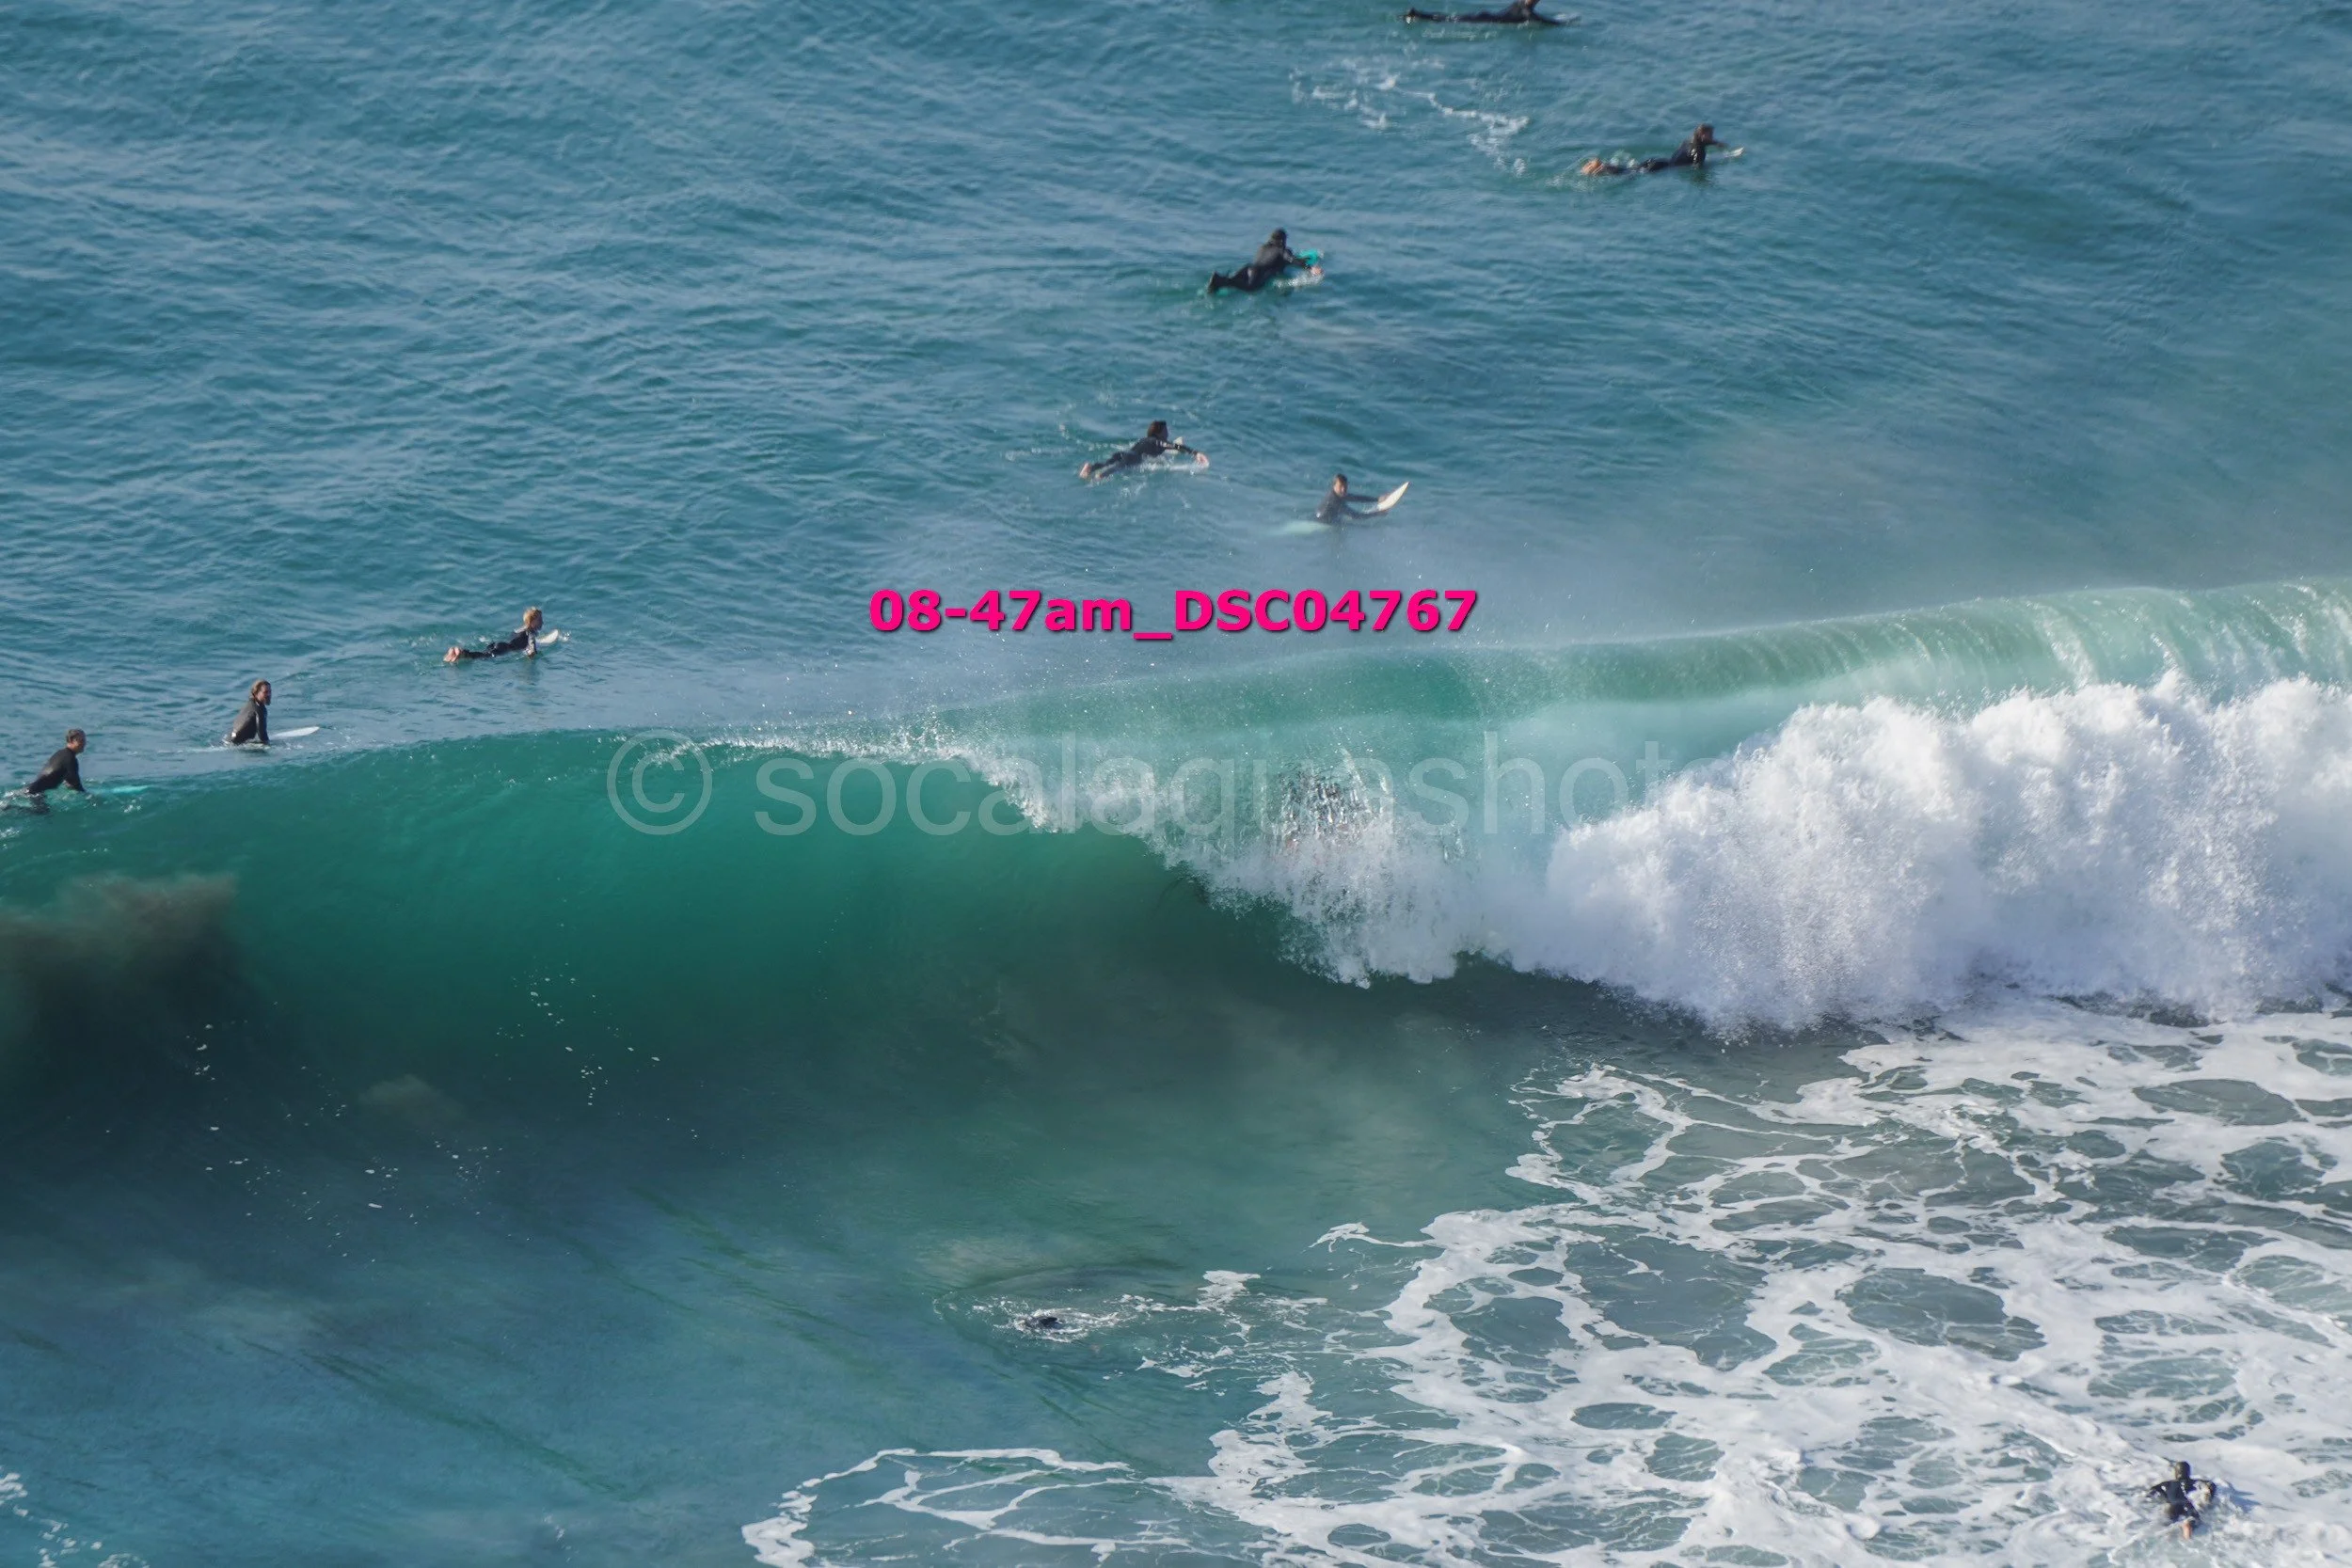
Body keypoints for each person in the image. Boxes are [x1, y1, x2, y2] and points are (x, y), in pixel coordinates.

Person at [1081, 420, 1207, 481]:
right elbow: (1175, 446)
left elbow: (1169, 447)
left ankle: (1090, 468)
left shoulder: (1145, 440)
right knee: (1116, 469)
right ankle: (1100, 476)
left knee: (1107, 463)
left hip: (1124, 453)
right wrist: (1195, 453)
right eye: (1166, 431)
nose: (1168, 433)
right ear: (1160, 433)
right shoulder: (1158, 442)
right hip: (1133, 458)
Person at [1580, 123, 1723, 176]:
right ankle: (1603, 168)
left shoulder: (1688, 141)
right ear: (1703, 135)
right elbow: (1697, 167)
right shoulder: (1700, 151)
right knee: (1629, 173)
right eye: (1711, 135)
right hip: (1662, 167)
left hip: (1659, 160)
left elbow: (1698, 144)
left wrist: (1715, 143)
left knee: (1632, 169)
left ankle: (1602, 165)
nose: (1713, 137)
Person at [1209, 229, 1310, 294]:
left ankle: (1218, 281)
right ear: (1283, 240)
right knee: (1251, 288)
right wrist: (1308, 267)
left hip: (1248, 267)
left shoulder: (1263, 247)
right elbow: (1291, 259)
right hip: (1258, 272)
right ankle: (1221, 281)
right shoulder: (1282, 250)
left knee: (1233, 280)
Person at [2145, 1460, 2216, 1542]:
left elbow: (2152, 1492)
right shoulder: (2194, 1482)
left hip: (2172, 1506)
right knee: (2190, 1521)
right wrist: (2209, 1495)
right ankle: (2187, 1537)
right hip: (2188, 1505)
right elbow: (2211, 1485)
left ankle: (2168, 1540)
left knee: (2167, 1525)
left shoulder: (2166, 1484)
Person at [445, 607, 544, 663]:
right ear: (531, 622)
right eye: (539, 620)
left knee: (484, 653)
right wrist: (532, 659)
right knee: (485, 656)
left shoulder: (518, 630)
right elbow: (532, 650)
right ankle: (463, 654)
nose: (542, 622)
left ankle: (460, 653)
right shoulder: (530, 633)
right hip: (505, 648)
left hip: (498, 644)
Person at [24, 729, 87, 800]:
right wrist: (90, 798)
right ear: (71, 740)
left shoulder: (61, 754)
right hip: (35, 793)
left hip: (32, 790)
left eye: (84, 740)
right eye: (81, 741)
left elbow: (68, 779)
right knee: (40, 811)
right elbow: (76, 785)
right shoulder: (70, 759)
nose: (84, 743)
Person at [1316, 473, 1391, 525]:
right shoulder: (1334, 500)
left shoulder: (1339, 494)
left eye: (1345, 486)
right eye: (1340, 486)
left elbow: (1357, 498)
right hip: (1322, 523)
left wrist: (1377, 499)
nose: (1343, 489)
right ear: (1334, 486)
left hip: (1332, 520)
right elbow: (1356, 516)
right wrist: (1377, 513)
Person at [1406, 0, 1565, 24]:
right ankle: (1419, 15)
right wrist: (1561, 24)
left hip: (1486, 15)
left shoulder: (1518, 4)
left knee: (1451, 18)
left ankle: (1419, 14)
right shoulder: (1526, 12)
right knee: (1451, 20)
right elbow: (1540, 20)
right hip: (1486, 20)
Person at [227, 680, 271, 746]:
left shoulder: (248, 705)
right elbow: (262, 735)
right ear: (256, 693)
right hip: (235, 745)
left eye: (270, 691)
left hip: (228, 740)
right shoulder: (259, 709)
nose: (269, 695)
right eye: (266, 692)